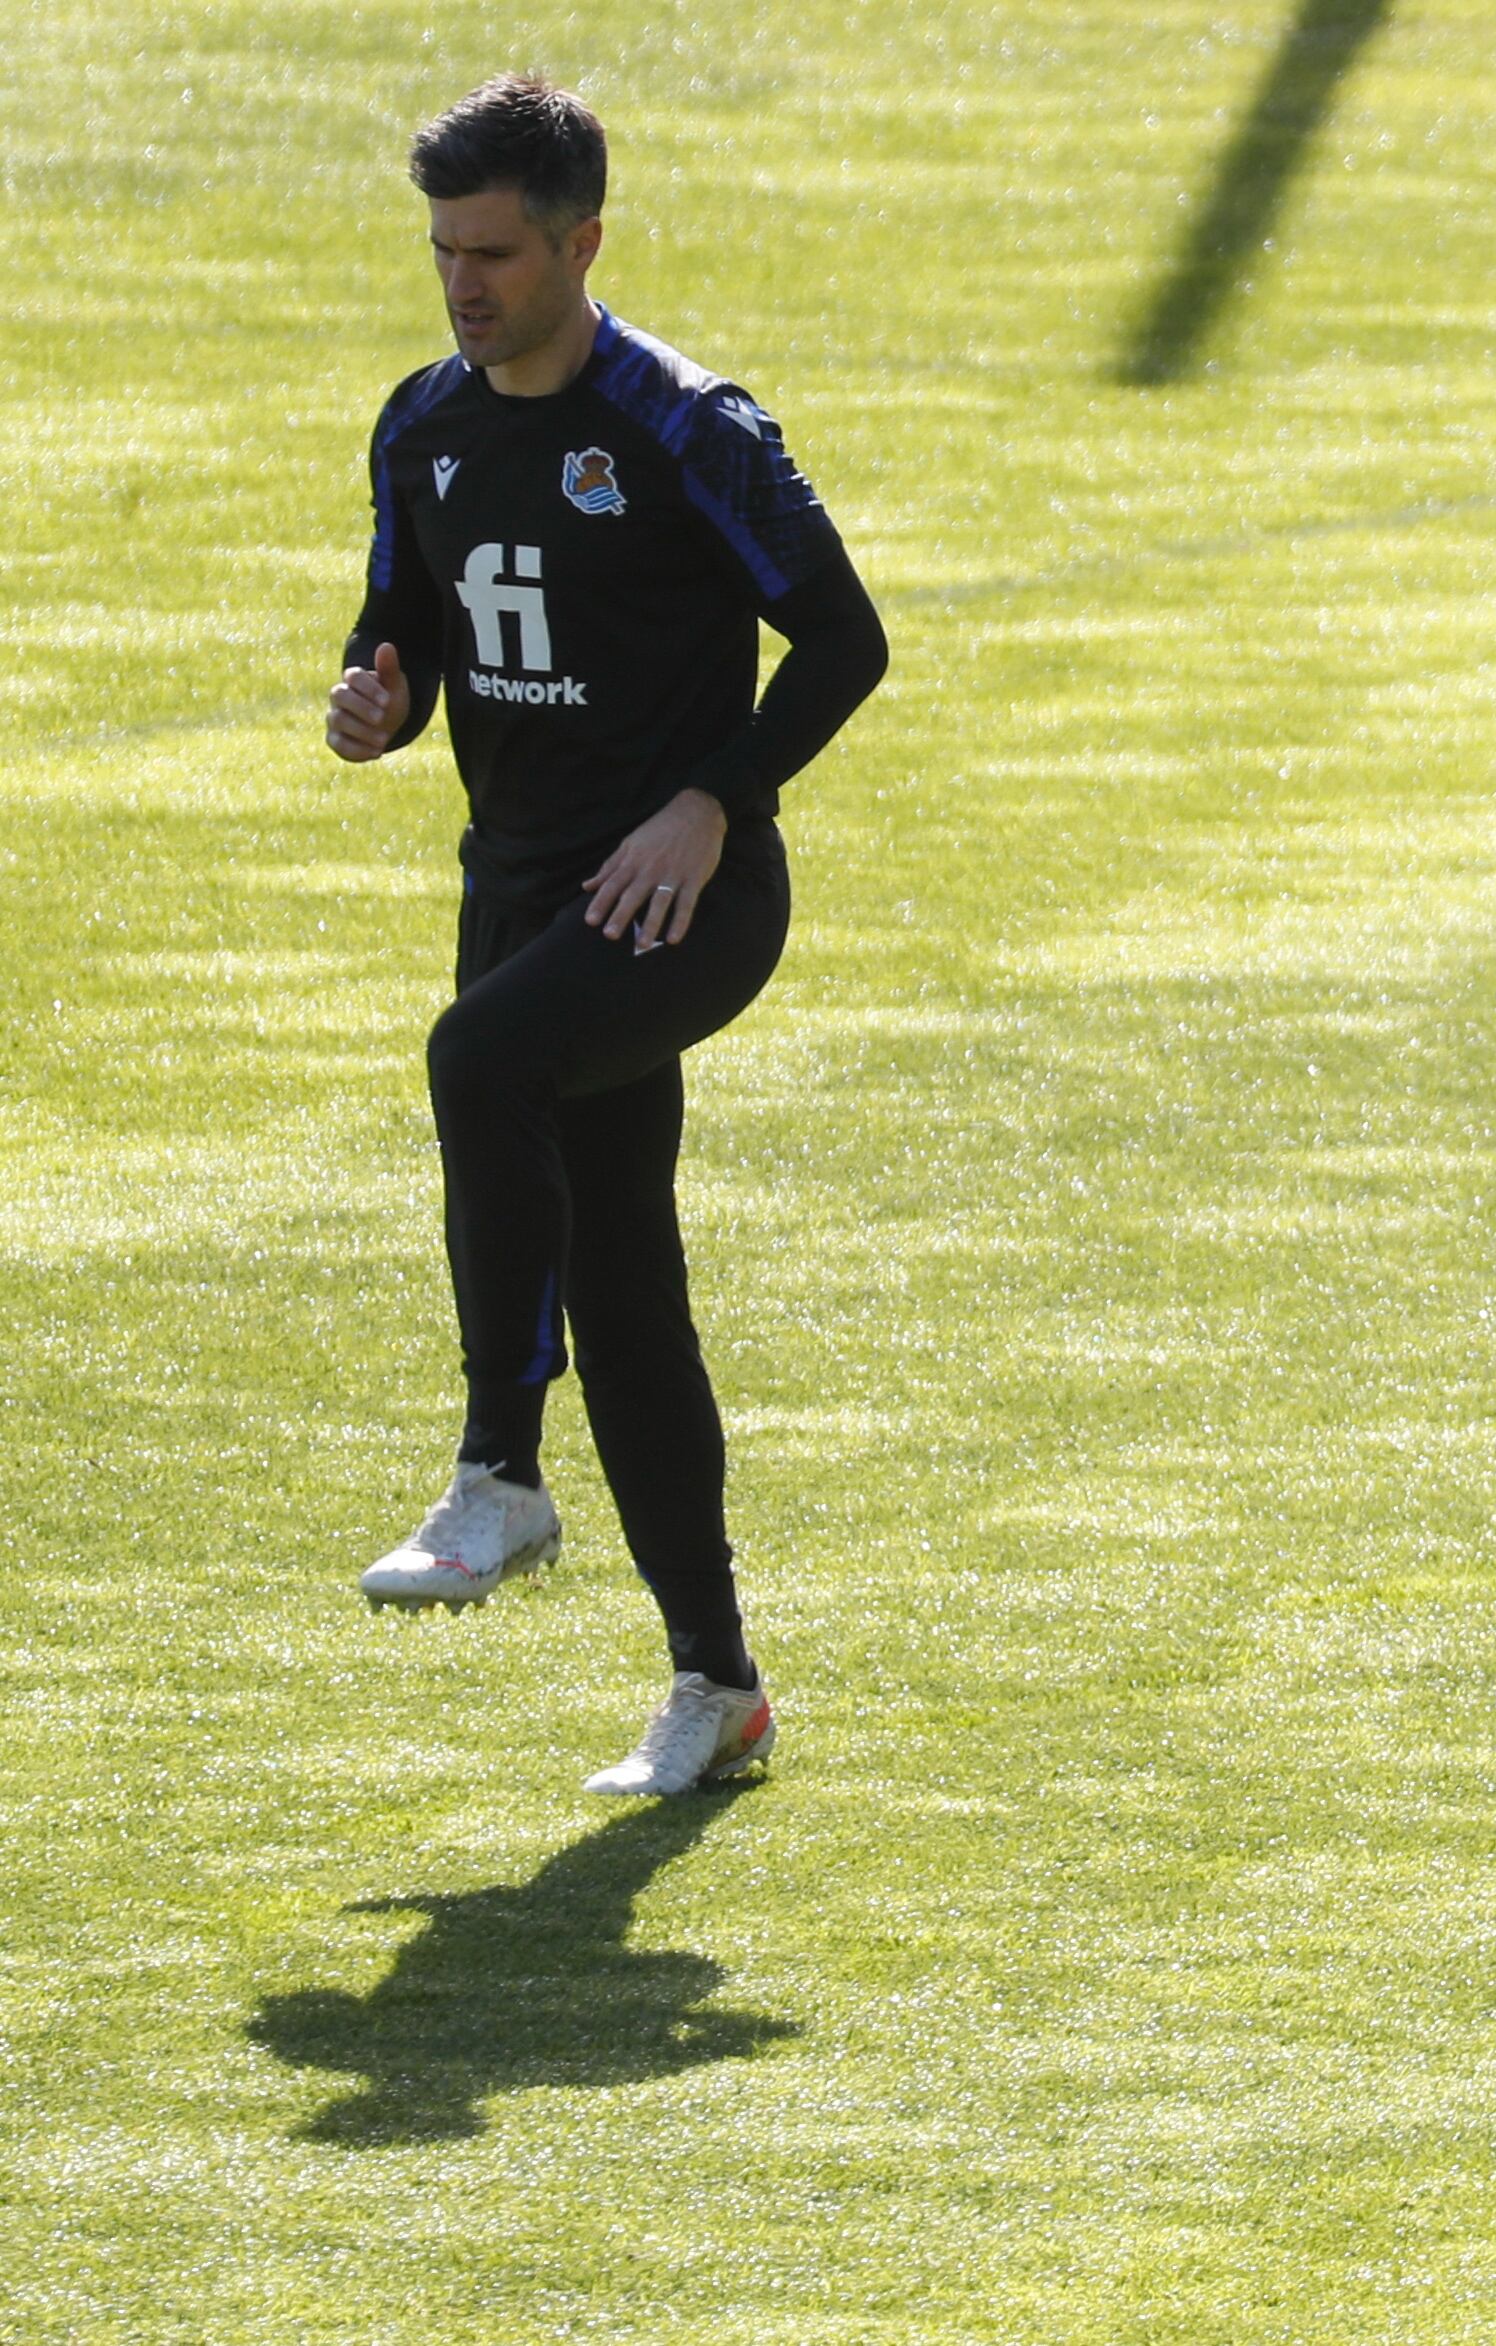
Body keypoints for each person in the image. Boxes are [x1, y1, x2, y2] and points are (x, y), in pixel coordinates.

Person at [326, 76, 887, 1796]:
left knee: (473, 1056)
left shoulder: (686, 426)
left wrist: (712, 798)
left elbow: (846, 642)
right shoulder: (422, 423)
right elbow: (406, 614)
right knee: (631, 1284)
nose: (463, 284)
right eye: (443, 251)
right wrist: (379, 691)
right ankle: (716, 1687)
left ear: (582, 243)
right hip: (522, 892)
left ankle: (500, 1464)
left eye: (494, 251)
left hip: (683, 897)